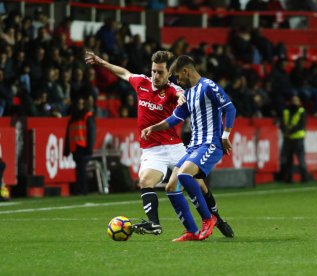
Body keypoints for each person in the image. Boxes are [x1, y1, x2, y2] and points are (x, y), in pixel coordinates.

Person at [84, 50, 234, 238]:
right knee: (146, 181)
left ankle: (216, 218)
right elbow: (123, 73)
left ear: (169, 73)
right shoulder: (141, 83)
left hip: (175, 147)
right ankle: (155, 224)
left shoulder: (173, 90)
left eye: (161, 72)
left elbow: (182, 95)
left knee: (199, 184)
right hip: (152, 151)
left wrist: (181, 98)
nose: (156, 76)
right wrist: (101, 62)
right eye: (154, 71)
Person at [141, 55, 237, 241]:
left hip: (210, 144)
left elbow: (230, 108)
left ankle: (209, 219)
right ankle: (191, 231)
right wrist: (153, 127)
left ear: (186, 71)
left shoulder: (208, 86)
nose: (177, 81)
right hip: (194, 147)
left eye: (177, 76)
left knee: (185, 175)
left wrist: (225, 136)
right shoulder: (189, 94)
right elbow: (174, 119)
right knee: (171, 187)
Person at [64, 96, 96, 195]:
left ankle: (82, 190)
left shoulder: (87, 117)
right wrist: (66, 149)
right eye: (78, 104)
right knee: (79, 170)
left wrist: (89, 148)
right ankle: (81, 190)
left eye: (82, 104)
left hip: (84, 148)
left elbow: (91, 133)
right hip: (75, 148)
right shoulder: (73, 119)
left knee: (81, 170)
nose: (80, 106)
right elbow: (68, 135)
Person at [280, 96, 308, 183]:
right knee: (287, 160)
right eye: (293, 100)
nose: (295, 102)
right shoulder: (286, 111)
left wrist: (289, 132)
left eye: (296, 100)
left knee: (301, 159)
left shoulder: (301, 111)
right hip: (288, 139)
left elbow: (301, 124)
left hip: (298, 138)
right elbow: (282, 123)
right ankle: (288, 178)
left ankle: (304, 178)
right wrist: (285, 131)